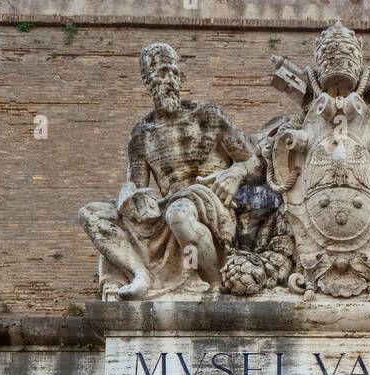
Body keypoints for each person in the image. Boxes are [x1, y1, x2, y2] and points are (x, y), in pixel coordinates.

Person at [78, 42, 262, 299]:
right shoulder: (141, 135)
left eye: (174, 73)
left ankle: (218, 283)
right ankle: (141, 274)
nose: (170, 80)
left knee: (179, 213)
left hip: (210, 204)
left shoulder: (208, 117)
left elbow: (259, 165)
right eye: (162, 74)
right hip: (165, 210)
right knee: (91, 214)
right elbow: (138, 190)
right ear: (147, 80)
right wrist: (130, 198)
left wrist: (238, 171)